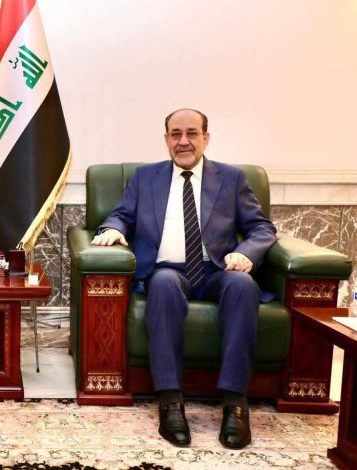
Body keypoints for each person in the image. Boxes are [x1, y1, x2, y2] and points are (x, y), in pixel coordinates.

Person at [91, 109, 276, 449]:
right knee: (162, 283)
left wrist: (247, 253)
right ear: (166, 140)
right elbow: (121, 215)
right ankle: (170, 402)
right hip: (168, 270)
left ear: (206, 138)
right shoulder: (146, 177)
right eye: (175, 134)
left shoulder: (232, 178)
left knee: (243, 285)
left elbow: (261, 228)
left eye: (192, 133)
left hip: (218, 270)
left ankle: (236, 403)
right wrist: (113, 230)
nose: (183, 141)